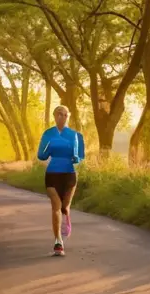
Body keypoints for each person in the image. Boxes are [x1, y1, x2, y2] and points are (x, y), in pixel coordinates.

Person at [36, 105, 85, 256]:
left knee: (64, 207)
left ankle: (66, 216)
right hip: (52, 174)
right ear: (54, 116)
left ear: (68, 117)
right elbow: (41, 155)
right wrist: (49, 150)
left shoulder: (74, 135)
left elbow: (79, 156)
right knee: (56, 206)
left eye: (65, 115)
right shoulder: (48, 134)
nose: (62, 117)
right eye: (59, 114)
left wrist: (75, 156)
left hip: (69, 174)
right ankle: (58, 241)